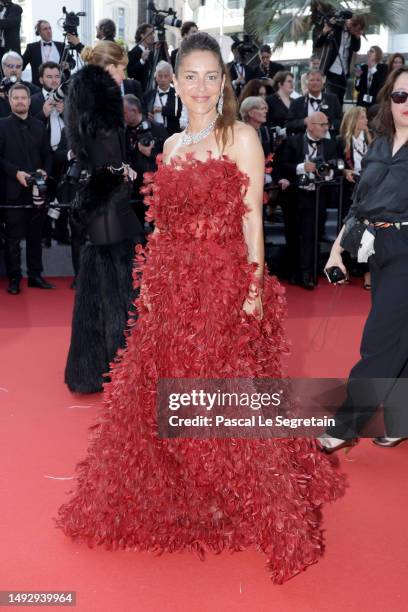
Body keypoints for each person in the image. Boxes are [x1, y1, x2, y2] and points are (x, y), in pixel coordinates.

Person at [57, 32, 344, 584]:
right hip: (170, 287)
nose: (203, 86)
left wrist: (254, 288)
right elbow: (162, 225)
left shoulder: (240, 137)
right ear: (176, 80)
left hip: (222, 282)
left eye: (213, 76)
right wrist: (152, 286)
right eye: (192, 75)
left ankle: (267, 511)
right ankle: (194, 487)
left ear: (224, 81)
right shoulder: (169, 148)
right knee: (170, 390)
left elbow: (252, 221)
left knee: (225, 392)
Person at [319, 66, 408, 452]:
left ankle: (347, 424)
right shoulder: (378, 144)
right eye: (401, 95)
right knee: (401, 340)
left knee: (380, 341)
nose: (407, 103)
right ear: (390, 100)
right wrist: (337, 251)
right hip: (377, 250)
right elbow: (358, 207)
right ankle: (402, 420)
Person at [64, 41, 144, 394]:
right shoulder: (103, 94)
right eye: (122, 67)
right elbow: (107, 145)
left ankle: (89, 369)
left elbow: (86, 144)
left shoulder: (80, 89)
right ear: (109, 66)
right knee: (121, 287)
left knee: (96, 284)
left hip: (96, 199)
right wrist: (123, 171)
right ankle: (122, 367)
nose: (124, 74)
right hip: (109, 199)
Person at [0, 83, 53, 295]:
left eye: (24, 98)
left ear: (30, 101)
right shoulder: (1, 126)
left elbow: (48, 154)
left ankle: (35, 276)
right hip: (12, 190)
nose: (20, 101)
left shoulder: (40, 126)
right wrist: (16, 173)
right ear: (9, 101)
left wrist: (45, 172)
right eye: (16, 98)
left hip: (37, 190)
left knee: (35, 235)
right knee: (12, 238)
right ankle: (14, 278)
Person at [278, 111, 340, 288]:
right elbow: (281, 166)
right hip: (295, 196)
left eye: (326, 124)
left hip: (317, 195)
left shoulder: (330, 144)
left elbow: (337, 167)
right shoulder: (292, 142)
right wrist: (301, 167)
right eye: (322, 124)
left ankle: (308, 273)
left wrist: (327, 173)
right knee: (294, 234)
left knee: (312, 235)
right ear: (311, 125)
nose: (326, 127)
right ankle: (294, 272)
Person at [337, 106, 372, 289]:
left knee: (368, 232)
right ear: (353, 120)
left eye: (365, 117)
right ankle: (345, 268)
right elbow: (335, 164)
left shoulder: (371, 141)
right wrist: (344, 171)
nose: (365, 121)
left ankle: (367, 273)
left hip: (369, 193)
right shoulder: (341, 141)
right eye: (362, 118)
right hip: (349, 192)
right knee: (347, 229)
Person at [123, 93, 167, 226]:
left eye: (123, 112)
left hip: (153, 188)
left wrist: (151, 153)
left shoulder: (157, 128)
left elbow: (170, 156)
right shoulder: (122, 132)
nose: (121, 115)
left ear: (134, 111)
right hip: (132, 189)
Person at [314, 13, 366, 106]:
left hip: (344, 72)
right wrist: (325, 31)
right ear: (351, 24)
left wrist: (358, 37)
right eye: (357, 30)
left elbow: (356, 48)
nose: (357, 32)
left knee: (340, 101)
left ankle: (338, 120)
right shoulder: (336, 27)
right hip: (332, 70)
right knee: (330, 101)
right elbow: (318, 44)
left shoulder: (353, 34)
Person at [286, 69, 342, 137]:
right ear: (306, 82)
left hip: (328, 142)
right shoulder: (296, 102)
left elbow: (341, 121)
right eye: (312, 80)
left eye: (318, 80)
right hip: (303, 142)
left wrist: (328, 124)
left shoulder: (332, 99)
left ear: (323, 82)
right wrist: (304, 121)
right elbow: (289, 124)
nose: (315, 83)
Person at [142, 60, 182, 137]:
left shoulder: (178, 94)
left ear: (171, 78)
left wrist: (161, 109)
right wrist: (147, 115)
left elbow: (178, 112)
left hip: (173, 134)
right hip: (154, 134)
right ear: (155, 77)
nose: (163, 79)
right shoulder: (148, 95)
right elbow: (142, 112)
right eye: (160, 76)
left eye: (166, 76)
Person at [22, 20, 67, 87]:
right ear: (39, 32)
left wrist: (68, 65)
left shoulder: (61, 45)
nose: (49, 31)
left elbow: (72, 62)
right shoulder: (32, 48)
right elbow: (21, 65)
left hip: (59, 86)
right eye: (45, 29)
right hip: (38, 87)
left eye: (50, 28)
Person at [127, 23, 154, 90]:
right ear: (142, 35)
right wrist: (141, 61)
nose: (153, 36)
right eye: (150, 34)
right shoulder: (133, 52)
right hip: (140, 92)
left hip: (152, 92)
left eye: (153, 34)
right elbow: (130, 73)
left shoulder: (152, 52)